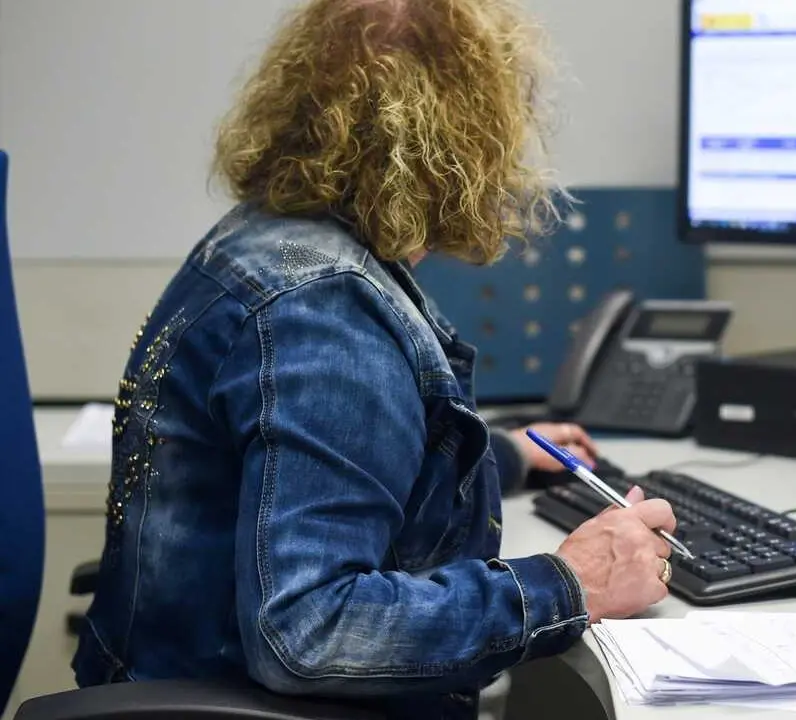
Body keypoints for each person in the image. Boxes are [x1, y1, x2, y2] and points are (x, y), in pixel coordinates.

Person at [72, 1, 678, 717]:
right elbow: (311, 630)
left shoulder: (263, 245)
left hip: (161, 669)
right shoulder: (323, 312)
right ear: (467, 135)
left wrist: (499, 460)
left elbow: (296, 472)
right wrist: (571, 583)